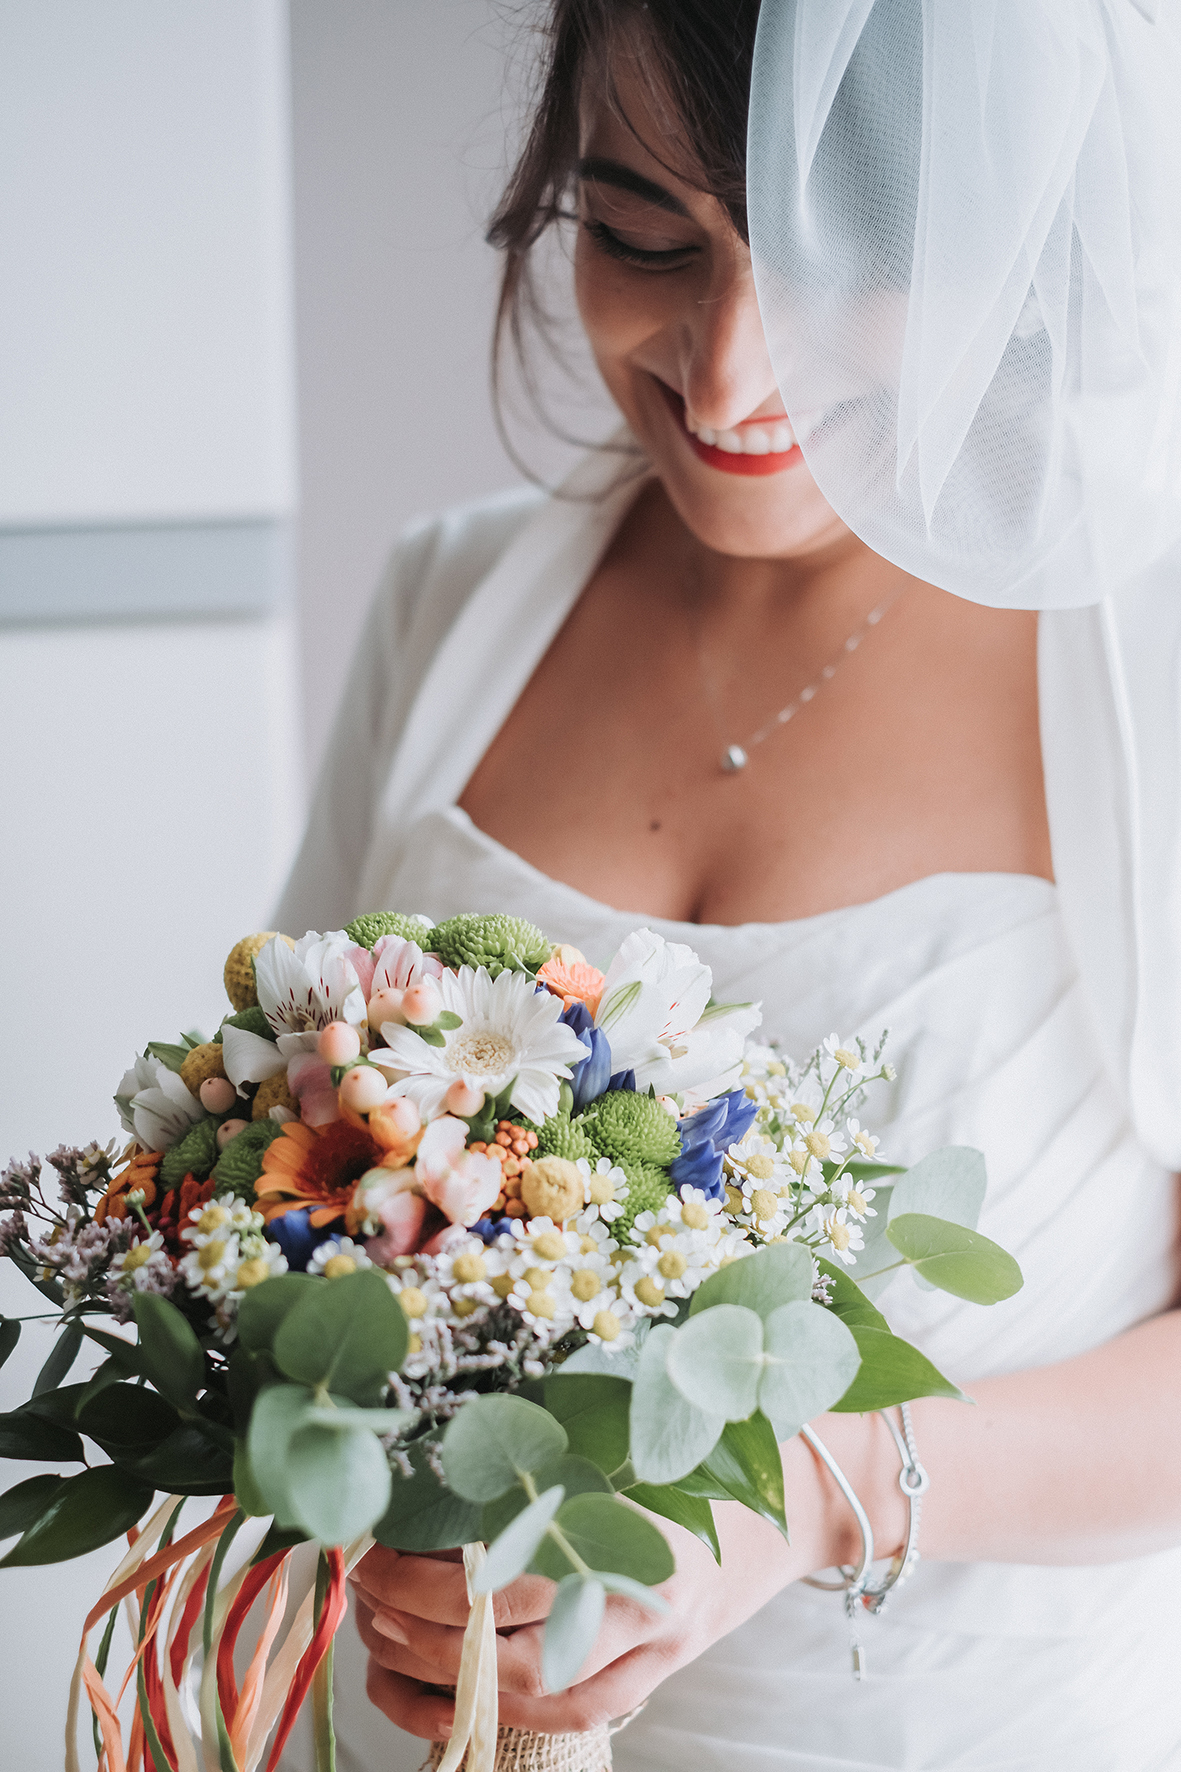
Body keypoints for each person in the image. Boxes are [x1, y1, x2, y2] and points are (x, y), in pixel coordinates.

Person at [275, 2, 1181, 1766]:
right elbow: (278, 1189)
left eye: (850, 262)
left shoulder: (1152, 654)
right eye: (638, 238)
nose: (729, 371)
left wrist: (810, 1495)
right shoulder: (448, 603)